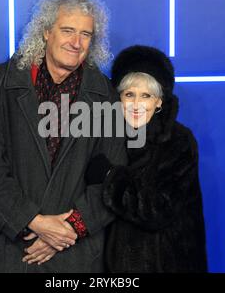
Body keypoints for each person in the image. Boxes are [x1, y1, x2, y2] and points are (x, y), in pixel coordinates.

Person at [0, 0, 127, 273]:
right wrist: (35, 222)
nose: (76, 43)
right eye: (67, 30)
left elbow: (113, 178)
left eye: (86, 34)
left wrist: (68, 230)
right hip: (12, 250)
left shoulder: (105, 94)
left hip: (75, 256)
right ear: (45, 32)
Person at [85, 45, 208, 272]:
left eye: (146, 96)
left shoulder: (177, 141)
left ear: (159, 101)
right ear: (118, 97)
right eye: (129, 94)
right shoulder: (104, 136)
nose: (136, 105)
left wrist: (110, 177)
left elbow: (157, 209)